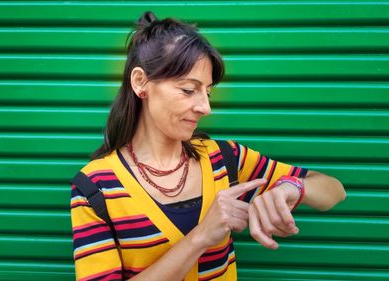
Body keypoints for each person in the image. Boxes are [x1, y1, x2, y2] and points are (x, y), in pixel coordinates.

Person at [70, 11, 346, 281]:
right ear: (141, 83)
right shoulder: (95, 186)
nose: (205, 107)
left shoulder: (225, 159)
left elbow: (334, 190)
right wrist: (202, 236)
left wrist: (292, 187)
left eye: (208, 91)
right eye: (189, 90)